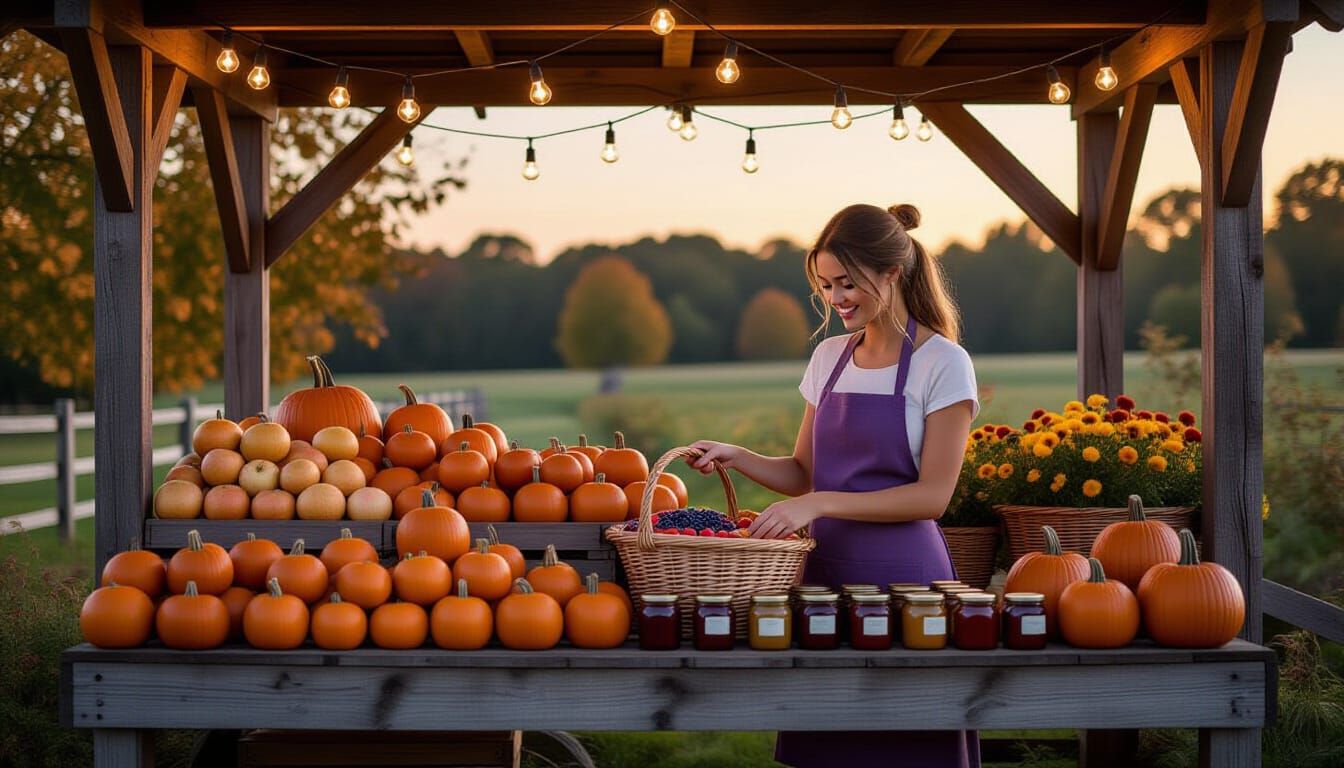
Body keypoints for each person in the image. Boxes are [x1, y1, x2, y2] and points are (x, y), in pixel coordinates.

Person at [689, 203, 981, 767]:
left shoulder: (943, 363)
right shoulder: (829, 358)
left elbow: (933, 496)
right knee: (829, 741)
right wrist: (739, 456)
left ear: (893, 272)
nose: (836, 297)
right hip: (824, 578)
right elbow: (803, 472)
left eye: (848, 283)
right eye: (824, 285)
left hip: (906, 585)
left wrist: (817, 503)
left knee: (907, 743)